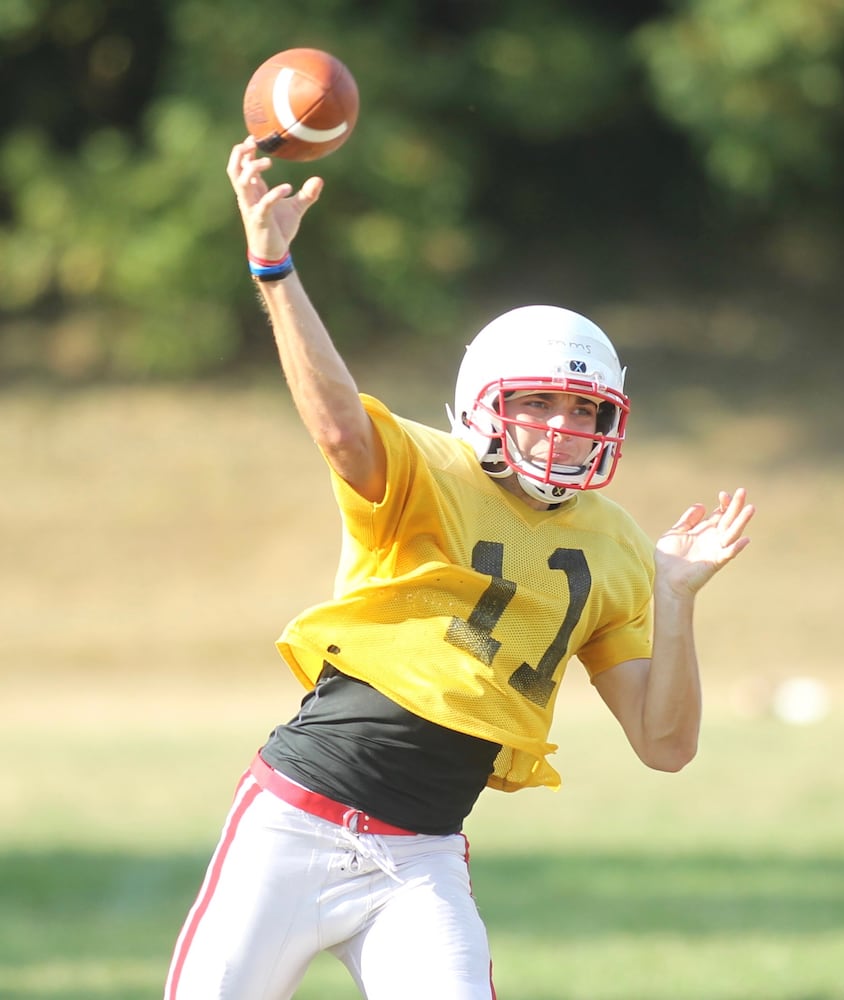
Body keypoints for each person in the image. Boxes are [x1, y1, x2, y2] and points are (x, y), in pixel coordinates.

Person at [164, 136, 755, 1000]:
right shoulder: (426, 468)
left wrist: (675, 596)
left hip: (420, 857)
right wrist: (275, 268)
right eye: (537, 402)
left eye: (582, 406)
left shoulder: (622, 545)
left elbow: (665, 745)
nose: (561, 425)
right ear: (484, 405)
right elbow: (335, 427)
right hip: (293, 824)